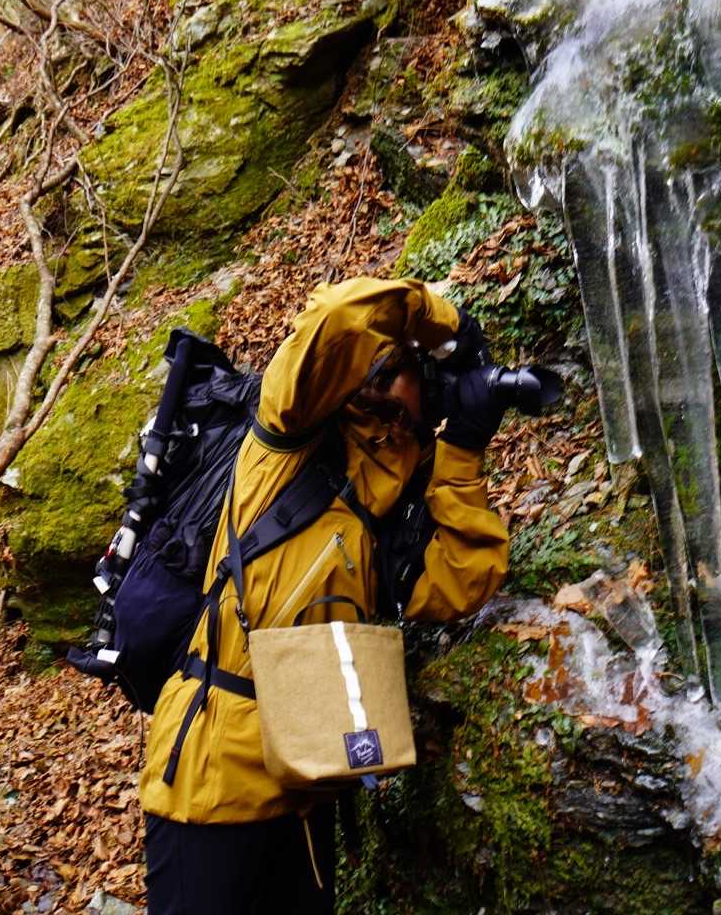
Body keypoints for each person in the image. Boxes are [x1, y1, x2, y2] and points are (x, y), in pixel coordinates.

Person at [139, 276, 512, 914]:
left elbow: (459, 582)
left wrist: (463, 448)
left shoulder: (388, 496)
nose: (433, 387)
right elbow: (340, 312)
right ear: (377, 375)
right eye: (418, 371)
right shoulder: (289, 432)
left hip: (307, 786)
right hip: (210, 784)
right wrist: (450, 329)